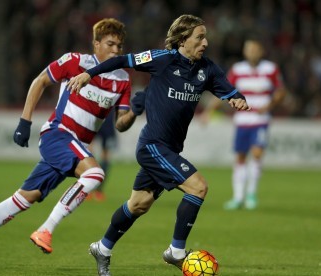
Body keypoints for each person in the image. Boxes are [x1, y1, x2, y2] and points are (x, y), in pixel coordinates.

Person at [0, 18, 145, 266]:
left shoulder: (122, 80)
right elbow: (39, 81)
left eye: (120, 46)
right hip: (58, 134)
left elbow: (120, 124)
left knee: (23, 199)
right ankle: (46, 229)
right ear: (96, 44)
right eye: (111, 44)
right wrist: (24, 121)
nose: (116, 50)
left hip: (77, 146)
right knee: (95, 174)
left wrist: (135, 112)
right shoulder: (76, 62)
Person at [67, 14, 250, 276]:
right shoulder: (163, 59)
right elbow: (122, 60)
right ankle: (176, 252)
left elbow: (229, 90)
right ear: (183, 39)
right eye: (199, 37)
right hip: (152, 146)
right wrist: (88, 74)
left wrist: (238, 99)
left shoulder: (207, 69)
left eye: (205, 37)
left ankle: (102, 248)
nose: (205, 42)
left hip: (170, 149)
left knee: (138, 204)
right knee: (198, 187)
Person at [202, 38, 287, 210]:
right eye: (248, 49)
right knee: (240, 157)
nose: (251, 52)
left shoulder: (270, 68)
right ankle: (238, 197)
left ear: (261, 51)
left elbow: (281, 91)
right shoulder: (237, 70)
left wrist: (269, 105)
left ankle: (251, 194)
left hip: (261, 121)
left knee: (256, 153)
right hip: (242, 121)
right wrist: (208, 111)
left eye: (255, 49)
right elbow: (223, 90)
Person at [87, 108, 118, 201]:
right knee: (91, 154)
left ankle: (94, 190)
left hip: (98, 117)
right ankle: (94, 190)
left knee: (93, 155)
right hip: (97, 118)